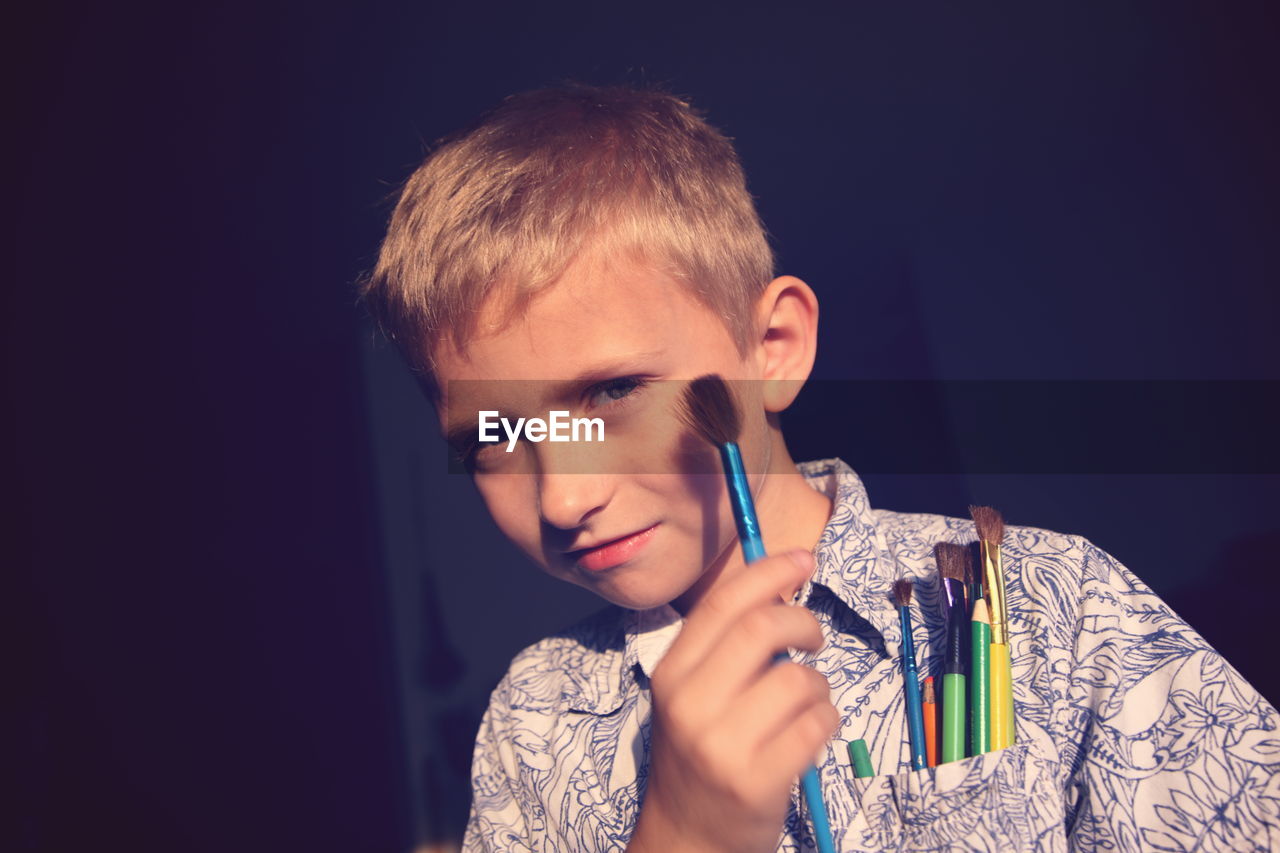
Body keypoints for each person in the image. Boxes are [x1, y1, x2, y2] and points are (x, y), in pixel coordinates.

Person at [360, 85, 1280, 851]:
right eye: (492, 436)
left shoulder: (1047, 602)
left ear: (772, 348)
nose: (563, 495)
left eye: (610, 393)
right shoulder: (535, 720)